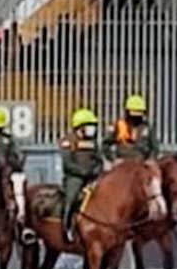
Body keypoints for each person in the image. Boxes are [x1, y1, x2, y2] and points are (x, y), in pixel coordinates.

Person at [60, 107, 104, 243]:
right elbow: (67, 164)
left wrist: (96, 171)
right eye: (89, 126)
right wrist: (82, 172)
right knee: (71, 199)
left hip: (93, 177)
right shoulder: (68, 140)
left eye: (93, 126)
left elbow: (99, 160)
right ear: (80, 127)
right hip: (75, 178)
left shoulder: (93, 142)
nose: (92, 129)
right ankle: (66, 226)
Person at [104, 94, 160, 163]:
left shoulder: (147, 127)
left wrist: (151, 159)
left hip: (141, 163)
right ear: (127, 112)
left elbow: (155, 147)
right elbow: (105, 144)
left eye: (138, 115)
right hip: (122, 162)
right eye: (133, 116)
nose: (135, 118)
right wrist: (113, 159)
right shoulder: (117, 125)